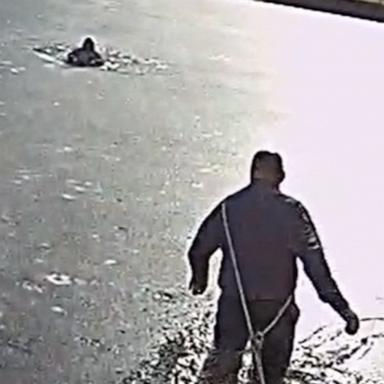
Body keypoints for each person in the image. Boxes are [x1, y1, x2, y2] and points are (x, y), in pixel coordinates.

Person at [187, 150, 359, 384]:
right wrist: (342, 308)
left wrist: (200, 278)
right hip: (277, 310)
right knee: (270, 378)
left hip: (234, 305)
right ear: (281, 176)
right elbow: (315, 264)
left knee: (221, 371)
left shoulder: (229, 209)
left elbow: (198, 249)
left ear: (251, 175)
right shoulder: (292, 212)